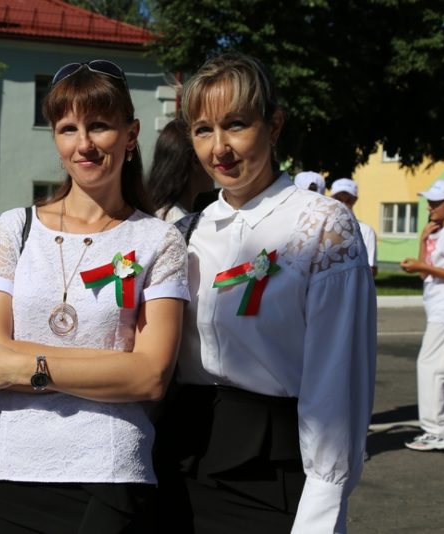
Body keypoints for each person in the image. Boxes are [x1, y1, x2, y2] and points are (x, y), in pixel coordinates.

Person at [0, 60, 189, 533]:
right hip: (6, 467)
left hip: (109, 471)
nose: (83, 143)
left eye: (99, 125)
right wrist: (113, 365)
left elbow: (150, 376)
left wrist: (25, 367)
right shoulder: (16, 228)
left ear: (131, 134)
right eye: (68, 128)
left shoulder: (159, 240)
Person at [157, 52, 376, 534]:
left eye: (235, 125)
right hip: (179, 461)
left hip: (269, 473)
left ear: (274, 125)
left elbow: (337, 385)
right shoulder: (185, 232)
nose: (219, 148)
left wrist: (321, 513)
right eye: (203, 130)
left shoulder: (323, 227)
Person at [400, 180, 444, 451]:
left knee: (429, 366)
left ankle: (436, 430)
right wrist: (422, 240)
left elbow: (426, 269)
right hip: (436, 307)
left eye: (436, 202)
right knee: (440, 368)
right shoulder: (436, 232)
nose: (430, 207)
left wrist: (422, 266)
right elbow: (423, 272)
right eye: (429, 202)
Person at [148, 117, 213, 223]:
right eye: (210, 156)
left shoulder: (157, 213)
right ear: (196, 160)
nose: (215, 164)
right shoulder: (180, 222)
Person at [331, 178, 378, 276]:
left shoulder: (366, 231)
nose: (343, 204)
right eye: (339, 199)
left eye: (348, 200)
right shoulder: (323, 228)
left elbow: (371, 269)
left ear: (355, 200)